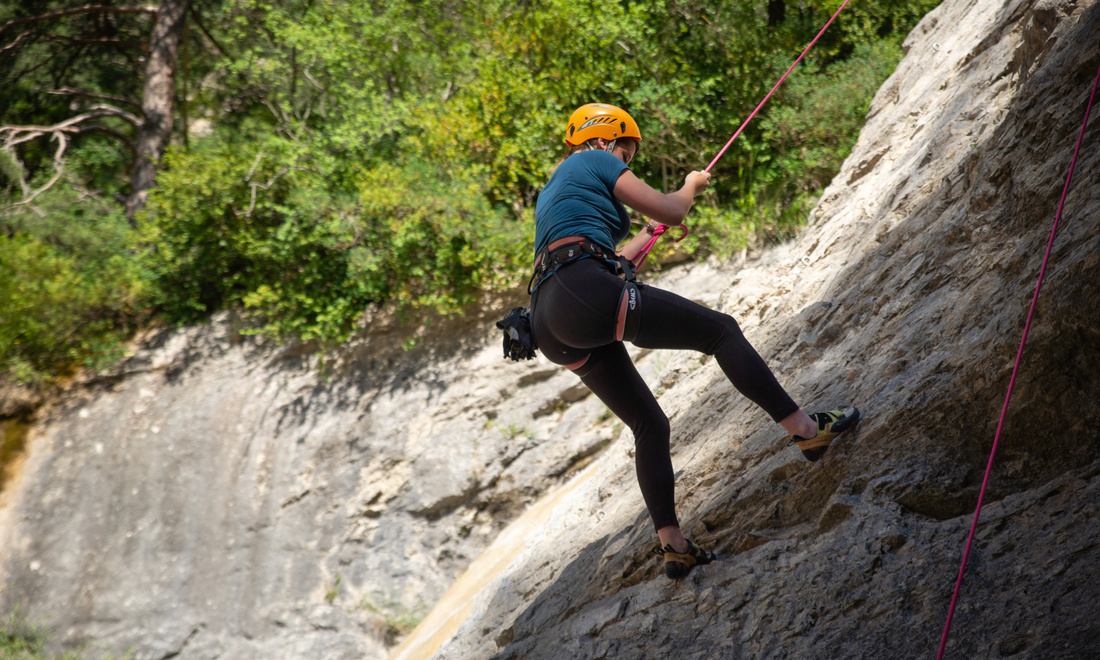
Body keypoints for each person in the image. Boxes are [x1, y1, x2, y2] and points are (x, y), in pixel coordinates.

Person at [528, 103, 860, 579]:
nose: (628, 160)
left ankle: (674, 545)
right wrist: (689, 187)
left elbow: (606, 258)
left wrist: (650, 233)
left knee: (649, 424)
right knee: (721, 331)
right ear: (606, 139)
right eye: (627, 149)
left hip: (550, 317)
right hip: (582, 288)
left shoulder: (557, 187)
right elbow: (673, 205)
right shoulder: (595, 159)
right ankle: (808, 431)